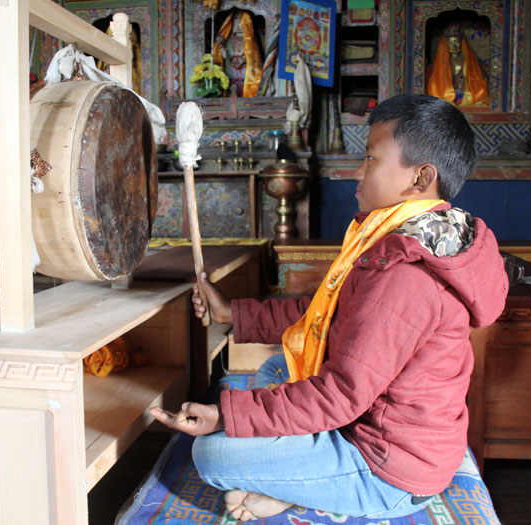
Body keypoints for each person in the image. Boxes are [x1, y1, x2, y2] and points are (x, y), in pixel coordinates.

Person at [149, 93, 509, 521]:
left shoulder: (408, 272)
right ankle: (291, 481)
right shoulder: (404, 236)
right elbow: (324, 314)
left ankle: (303, 485)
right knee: (277, 369)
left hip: (390, 466)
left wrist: (225, 415)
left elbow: (341, 395)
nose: (357, 172)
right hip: (375, 421)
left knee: (211, 453)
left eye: (371, 159)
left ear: (420, 178)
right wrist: (232, 314)